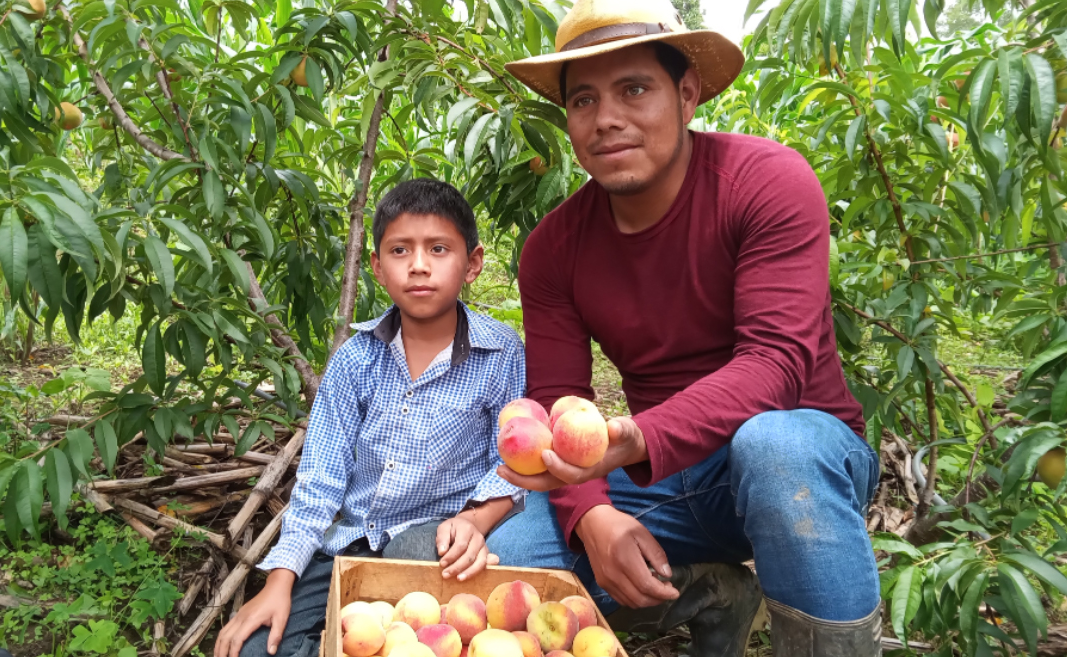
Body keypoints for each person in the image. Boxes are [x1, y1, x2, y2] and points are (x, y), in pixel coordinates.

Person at [486, 1, 882, 655]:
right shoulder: (555, 248)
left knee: (774, 446)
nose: (607, 118)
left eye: (634, 88)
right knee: (516, 545)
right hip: (667, 480)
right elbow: (561, 399)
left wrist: (637, 437)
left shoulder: (765, 183)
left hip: (797, 455)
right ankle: (711, 592)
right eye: (583, 100)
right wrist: (594, 514)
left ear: (687, 94)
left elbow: (775, 367)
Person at [215, 179, 527, 657]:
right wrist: (280, 580)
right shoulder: (355, 360)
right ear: (379, 268)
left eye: (439, 249)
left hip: (435, 538)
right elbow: (320, 480)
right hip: (349, 540)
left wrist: (477, 520)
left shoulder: (501, 354)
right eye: (401, 250)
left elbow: (511, 464)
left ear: (473, 263)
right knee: (258, 648)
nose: (419, 265)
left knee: (403, 630)